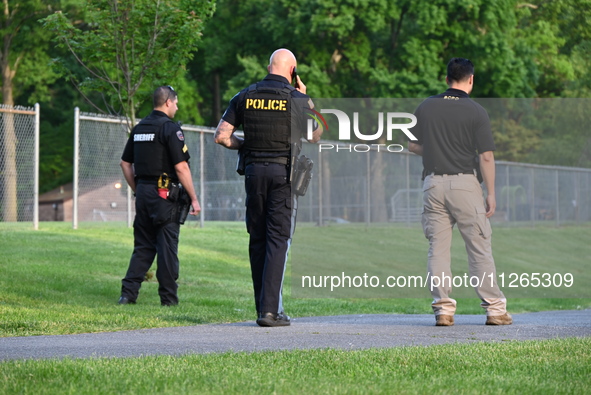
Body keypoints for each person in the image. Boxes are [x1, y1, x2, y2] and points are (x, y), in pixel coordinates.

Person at [214, 48, 322, 327]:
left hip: (253, 174)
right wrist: (306, 98)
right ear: (293, 71)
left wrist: (246, 145)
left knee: (258, 238)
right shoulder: (298, 99)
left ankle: (263, 306)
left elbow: (222, 136)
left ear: (268, 66)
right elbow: (317, 135)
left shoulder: (244, 95)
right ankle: (270, 312)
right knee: (278, 239)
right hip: (282, 175)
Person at [408, 58, 512, 326]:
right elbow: (486, 157)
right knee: (479, 247)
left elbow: (413, 145)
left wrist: (434, 146)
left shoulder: (426, 107)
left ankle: (443, 309)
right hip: (465, 185)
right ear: (471, 80)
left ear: (446, 80)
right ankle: (495, 310)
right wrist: (490, 193)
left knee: (438, 249)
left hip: (433, 185)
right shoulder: (476, 111)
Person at [119, 85, 201, 306]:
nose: (177, 105)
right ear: (167, 102)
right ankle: (168, 299)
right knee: (167, 248)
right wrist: (194, 198)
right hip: (165, 194)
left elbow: (125, 163)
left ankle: (127, 295)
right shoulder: (170, 129)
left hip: (144, 193)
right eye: (175, 102)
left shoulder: (139, 128)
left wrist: (137, 189)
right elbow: (181, 168)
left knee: (143, 246)